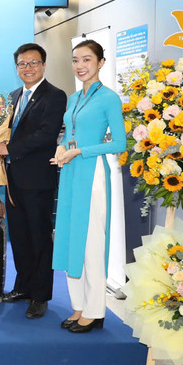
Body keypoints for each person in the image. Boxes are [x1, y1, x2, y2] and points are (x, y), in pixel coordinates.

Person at [0, 43, 67, 319]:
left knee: (40, 238)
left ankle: (40, 296)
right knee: (19, 237)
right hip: (13, 179)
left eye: (33, 63)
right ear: (17, 67)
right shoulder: (14, 96)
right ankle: (23, 287)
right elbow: (10, 131)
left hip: (38, 179)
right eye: (22, 63)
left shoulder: (55, 95)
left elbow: (46, 134)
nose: (28, 68)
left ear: (44, 65)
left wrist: (9, 148)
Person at [51, 39, 125, 333]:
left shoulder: (109, 98)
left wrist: (80, 151)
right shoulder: (73, 98)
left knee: (92, 242)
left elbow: (119, 143)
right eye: (75, 60)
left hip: (92, 173)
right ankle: (79, 305)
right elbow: (69, 134)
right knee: (73, 240)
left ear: (100, 63)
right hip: (70, 172)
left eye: (87, 60)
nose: (80, 66)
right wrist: (61, 148)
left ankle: (95, 310)